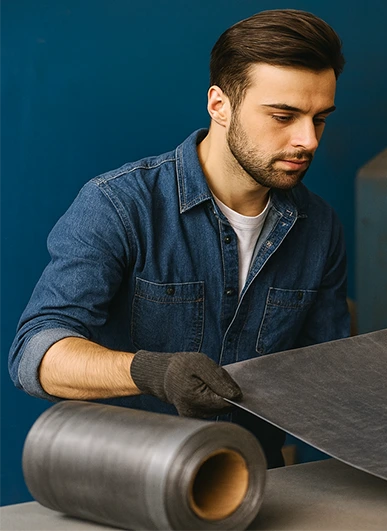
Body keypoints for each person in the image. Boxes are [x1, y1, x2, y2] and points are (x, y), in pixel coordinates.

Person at [8, 9, 349, 468]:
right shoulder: (119, 205)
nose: (307, 140)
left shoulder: (319, 227)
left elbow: (330, 381)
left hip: (251, 482)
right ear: (219, 105)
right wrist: (152, 372)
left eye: (319, 118)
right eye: (283, 116)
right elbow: (37, 355)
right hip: (129, 480)